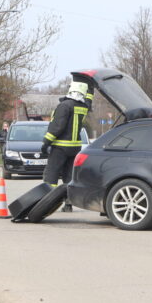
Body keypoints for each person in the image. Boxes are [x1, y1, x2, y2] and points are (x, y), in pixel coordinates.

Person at [41, 81, 92, 210]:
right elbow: (89, 101)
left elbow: (57, 126)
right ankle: (68, 204)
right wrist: (90, 89)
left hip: (60, 147)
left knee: (51, 175)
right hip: (75, 148)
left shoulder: (64, 106)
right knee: (69, 177)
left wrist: (46, 142)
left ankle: (47, 204)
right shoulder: (83, 107)